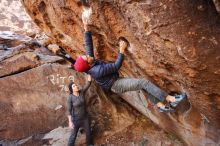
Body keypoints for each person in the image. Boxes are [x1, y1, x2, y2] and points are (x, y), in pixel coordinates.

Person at [71, 23, 187, 113]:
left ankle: (161, 106)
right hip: (116, 85)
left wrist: (86, 29)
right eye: (86, 57)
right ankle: (171, 99)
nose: (88, 55)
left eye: (85, 56)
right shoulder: (97, 71)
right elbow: (116, 66)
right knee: (143, 83)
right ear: (88, 64)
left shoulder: (89, 62)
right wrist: (121, 50)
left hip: (114, 81)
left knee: (142, 86)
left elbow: (88, 47)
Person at [67, 75, 93, 146]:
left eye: (76, 85)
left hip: (85, 118)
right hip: (76, 119)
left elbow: (88, 84)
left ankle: (89, 144)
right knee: (73, 135)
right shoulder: (70, 97)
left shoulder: (81, 92)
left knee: (88, 132)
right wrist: (70, 121)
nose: (76, 86)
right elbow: (69, 110)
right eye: (74, 86)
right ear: (71, 90)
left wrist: (89, 77)